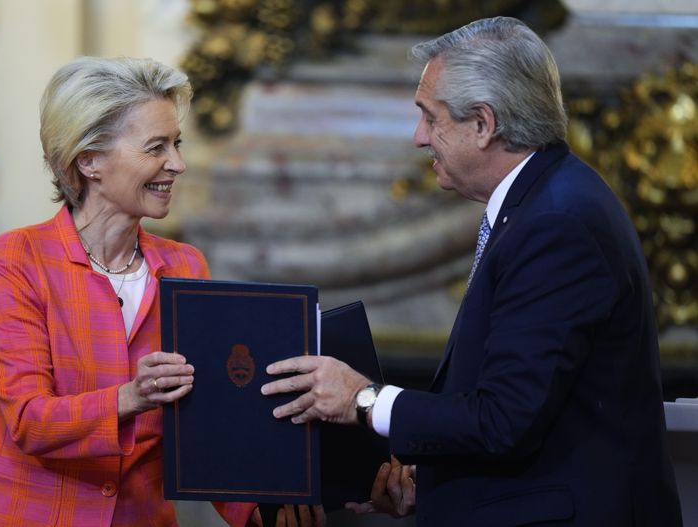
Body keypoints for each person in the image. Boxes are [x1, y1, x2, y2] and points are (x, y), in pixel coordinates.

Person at [262, 16, 683, 526]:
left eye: (430, 117)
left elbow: (505, 420)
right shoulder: (543, 203)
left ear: (483, 124)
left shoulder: (556, 224)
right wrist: (433, 481)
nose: (419, 137)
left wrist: (363, 399)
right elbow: (522, 408)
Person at [0, 56, 321, 527]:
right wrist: (133, 397)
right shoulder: (18, 259)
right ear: (88, 160)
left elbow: (201, 426)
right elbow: (29, 420)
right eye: (156, 147)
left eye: (177, 144)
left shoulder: (186, 266)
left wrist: (261, 511)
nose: (178, 163)